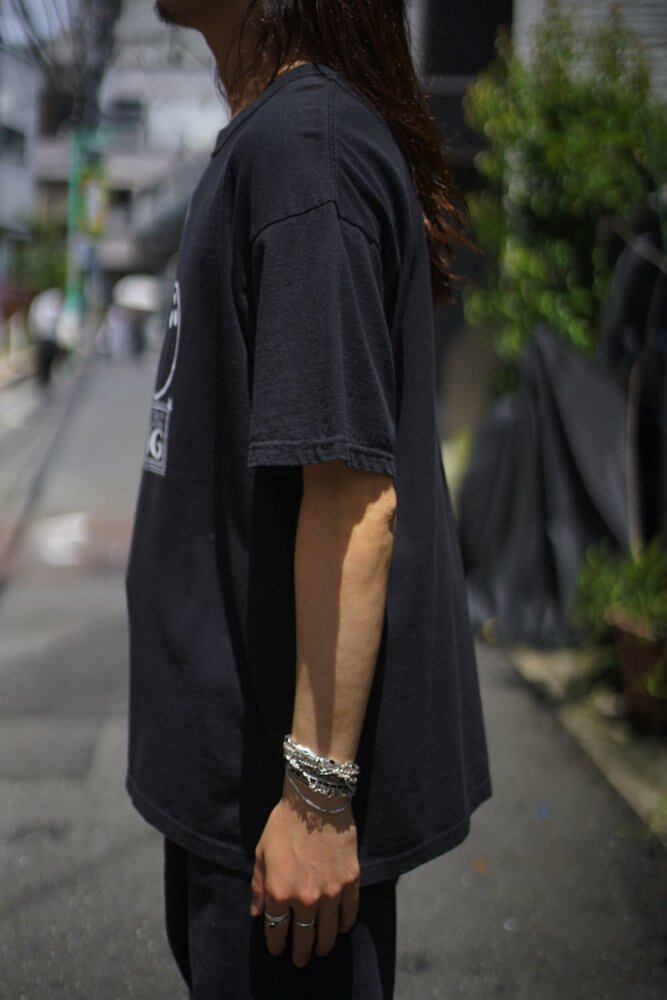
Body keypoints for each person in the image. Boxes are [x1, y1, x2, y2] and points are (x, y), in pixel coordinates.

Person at [124, 2, 492, 997]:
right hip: (237, 788)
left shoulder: (302, 152)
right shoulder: (274, 140)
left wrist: (316, 799)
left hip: (278, 815)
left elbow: (352, 503)